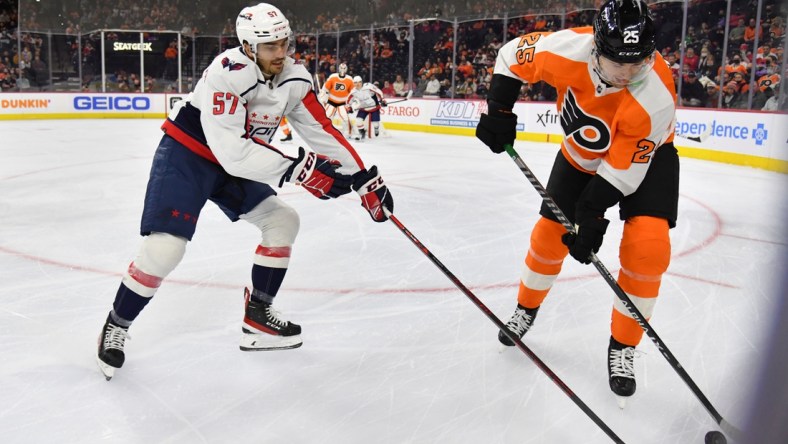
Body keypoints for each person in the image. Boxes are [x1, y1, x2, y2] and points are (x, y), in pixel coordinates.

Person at [96, 3, 394, 381]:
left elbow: (322, 132)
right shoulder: (226, 72)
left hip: (236, 160)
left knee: (283, 222)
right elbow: (233, 154)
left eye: (284, 43)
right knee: (166, 247)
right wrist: (301, 170)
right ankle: (117, 323)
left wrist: (364, 177)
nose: (281, 53)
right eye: (271, 47)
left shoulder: (295, 78)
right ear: (249, 46)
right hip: (189, 156)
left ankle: (258, 317)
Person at [475, 0, 678, 407]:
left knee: (648, 249)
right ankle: (525, 308)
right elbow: (510, 56)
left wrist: (591, 214)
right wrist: (499, 109)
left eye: (638, 63)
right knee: (549, 237)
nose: (628, 73)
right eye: (619, 63)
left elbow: (624, 172)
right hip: (580, 153)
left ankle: (623, 344)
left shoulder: (655, 95)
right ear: (596, 48)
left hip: (648, 160)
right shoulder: (564, 50)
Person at [320, 62, 355, 138]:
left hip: (342, 103)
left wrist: (350, 103)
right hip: (331, 101)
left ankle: (348, 133)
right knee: (327, 117)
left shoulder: (349, 79)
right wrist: (323, 98)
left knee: (345, 118)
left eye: (344, 68)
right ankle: (325, 132)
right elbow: (325, 88)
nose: (342, 70)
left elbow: (352, 92)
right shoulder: (333, 77)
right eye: (341, 68)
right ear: (339, 69)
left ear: (346, 69)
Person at [346, 75, 386, 140]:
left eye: (359, 82)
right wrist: (349, 107)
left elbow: (378, 91)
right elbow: (348, 101)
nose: (358, 84)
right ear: (353, 83)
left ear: (362, 82)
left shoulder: (368, 86)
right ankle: (362, 133)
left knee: (375, 123)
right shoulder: (353, 92)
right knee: (358, 121)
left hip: (373, 106)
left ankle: (376, 128)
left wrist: (382, 100)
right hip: (363, 108)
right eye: (355, 82)